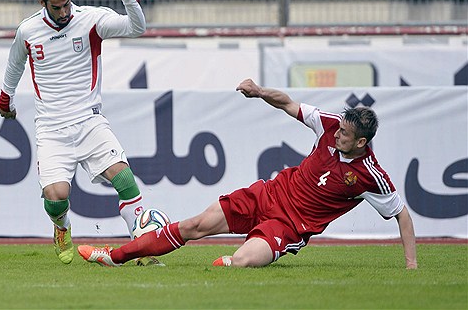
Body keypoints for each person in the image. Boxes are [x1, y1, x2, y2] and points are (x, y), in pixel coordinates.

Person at [78, 78, 418, 269]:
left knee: (237, 262)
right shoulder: (329, 125)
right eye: (339, 129)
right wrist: (259, 92)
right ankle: (115, 256)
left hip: (289, 225)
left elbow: (402, 214)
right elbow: (288, 104)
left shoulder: (371, 175)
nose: (338, 134)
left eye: (345, 134)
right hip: (268, 194)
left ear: (361, 141)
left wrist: (411, 264)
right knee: (193, 225)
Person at [0, 0, 157, 265]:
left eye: (67, 3)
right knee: (56, 197)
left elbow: (137, 28)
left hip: (89, 121)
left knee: (124, 177)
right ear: (42, 2)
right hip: (51, 129)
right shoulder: (28, 31)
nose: (64, 11)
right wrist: (6, 97)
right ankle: (62, 227)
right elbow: (15, 63)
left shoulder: (91, 21)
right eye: (57, 7)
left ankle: (142, 249)